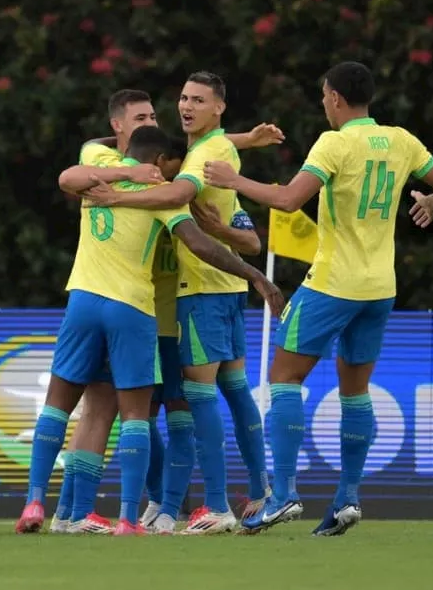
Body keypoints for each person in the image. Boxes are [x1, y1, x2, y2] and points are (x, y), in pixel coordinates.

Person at [203, 61, 433, 536]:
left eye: (324, 96)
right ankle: (347, 498)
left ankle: (282, 495)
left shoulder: (335, 143)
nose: (324, 103)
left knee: (284, 378)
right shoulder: (403, 140)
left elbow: (287, 200)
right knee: (355, 391)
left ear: (337, 99)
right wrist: (430, 201)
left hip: (333, 283)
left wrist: (233, 180)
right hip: (380, 288)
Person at [16, 125, 285, 536]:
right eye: (174, 167)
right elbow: (200, 244)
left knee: (69, 406)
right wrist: (255, 277)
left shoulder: (96, 172)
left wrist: (244, 139)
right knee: (137, 415)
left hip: (83, 300)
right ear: (159, 162)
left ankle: (45, 504)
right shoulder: (158, 194)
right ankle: (129, 517)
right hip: (137, 309)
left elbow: (67, 176)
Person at [82, 72, 273, 535]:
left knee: (186, 402)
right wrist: (245, 139)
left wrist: (117, 198)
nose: (184, 106)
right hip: (191, 300)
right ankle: (256, 492)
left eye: (198, 100)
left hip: (195, 295)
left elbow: (191, 202)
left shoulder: (190, 165)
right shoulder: (170, 155)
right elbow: (245, 237)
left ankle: (209, 505)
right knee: (212, 394)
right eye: (182, 99)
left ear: (218, 107)